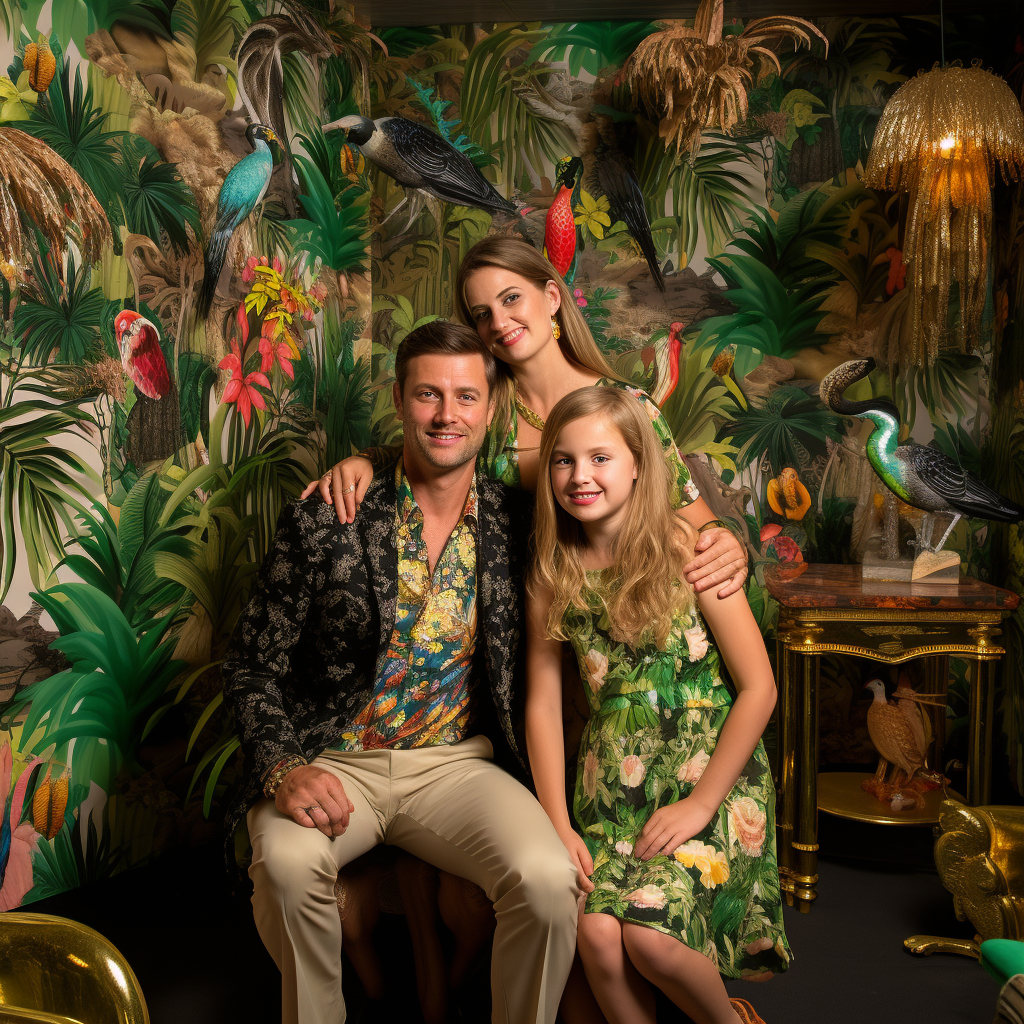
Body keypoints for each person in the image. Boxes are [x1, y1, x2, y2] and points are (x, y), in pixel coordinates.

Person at [222, 321, 578, 1024]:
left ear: (490, 406)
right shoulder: (331, 513)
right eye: (428, 394)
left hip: (455, 766)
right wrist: (284, 767)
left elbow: (631, 517)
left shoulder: (519, 522)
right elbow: (251, 664)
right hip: (333, 758)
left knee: (548, 881)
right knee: (290, 869)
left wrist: (721, 541)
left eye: (465, 397)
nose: (447, 414)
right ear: (399, 399)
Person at [525, 386, 789, 1024]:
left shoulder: (688, 549)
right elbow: (542, 705)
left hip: (708, 781)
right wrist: (558, 824)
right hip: (611, 794)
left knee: (649, 938)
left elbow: (761, 687)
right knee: (595, 937)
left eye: (600, 458)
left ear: (640, 462)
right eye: (562, 461)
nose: (580, 476)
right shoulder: (553, 571)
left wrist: (701, 804)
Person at [302, 236, 748, 597]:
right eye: (482, 314)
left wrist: (723, 542)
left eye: (511, 298)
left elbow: (696, 520)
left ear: (551, 296)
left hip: (613, 616)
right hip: (514, 624)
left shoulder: (629, 409)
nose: (499, 322)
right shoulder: (486, 413)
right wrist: (366, 460)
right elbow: (430, 454)